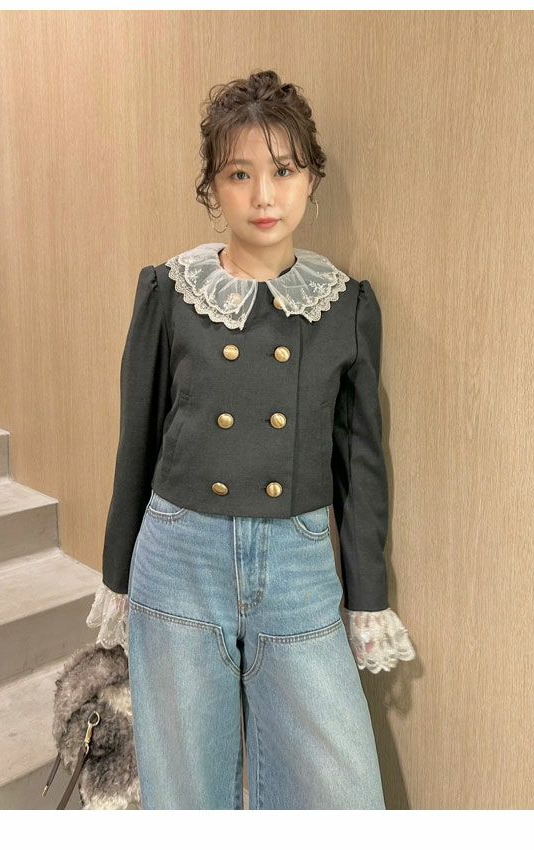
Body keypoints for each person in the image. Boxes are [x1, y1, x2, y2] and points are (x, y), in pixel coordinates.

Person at [86, 69, 416, 809]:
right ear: (212, 186)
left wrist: (367, 596)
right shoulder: (169, 292)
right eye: (240, 174)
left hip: (299, 567)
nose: (264, 196)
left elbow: (361, 463)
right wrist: (117, 574)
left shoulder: (344, 305)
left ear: (312, 180)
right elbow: (136, 440)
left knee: (343, 797)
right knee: (187, 795)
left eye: (284, 170)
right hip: (179, 559)